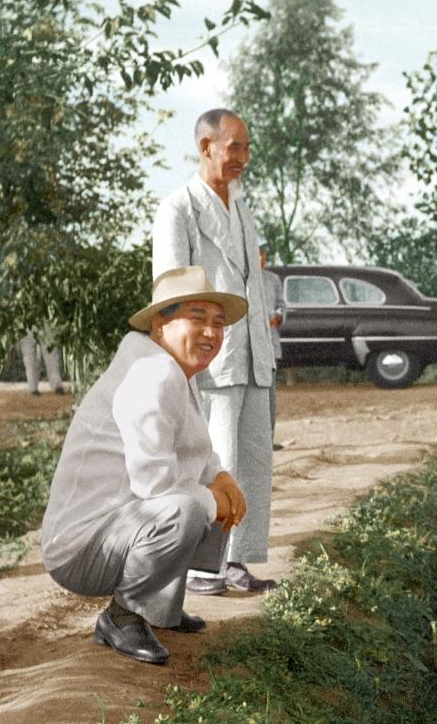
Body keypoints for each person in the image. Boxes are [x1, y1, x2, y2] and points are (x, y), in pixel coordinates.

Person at [41, 266, 249, 664]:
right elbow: (155, 490)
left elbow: (195, 451)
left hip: (114, 527)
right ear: (159, 324)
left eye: (218, 323)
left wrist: (222, 478)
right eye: (196, 318)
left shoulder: (173, 369)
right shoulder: (151, 375)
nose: (210, 333)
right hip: (78, 548)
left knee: (210, 493)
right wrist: (214, 500)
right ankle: (122, 616)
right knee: (185, 509)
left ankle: (159, 610)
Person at [152, 108, 277, 595]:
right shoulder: (178, 209)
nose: (243, 158)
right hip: (209, 358)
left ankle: (237, 563)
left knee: (251, 461)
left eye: (247, 148)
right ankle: (202, 567)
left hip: (252, 356)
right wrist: (181, 366)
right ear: (206, 147)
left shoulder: (241, 209)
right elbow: (170, 295)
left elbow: (254, 288)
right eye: (234, 147)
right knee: (213, 462)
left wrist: (265, 352)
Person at [259, 241, 285, 450]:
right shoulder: (240, 280)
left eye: (263, 255)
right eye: (256, 254)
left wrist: (278, 316)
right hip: (247, 346)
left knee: (269, 393)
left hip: (270, 344)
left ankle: (269, 439)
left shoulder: (273, 279)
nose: (261, 258)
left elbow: (282, 305)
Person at [20, 331, 64, 395]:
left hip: (44, 323)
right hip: (25, 326)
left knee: (51, 352)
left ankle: (57, 385)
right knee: (29, 355)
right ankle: (32, 388)